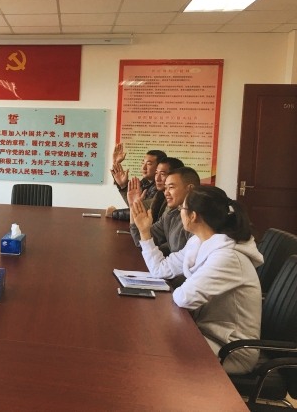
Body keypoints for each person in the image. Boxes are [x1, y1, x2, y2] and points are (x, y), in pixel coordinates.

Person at [130, 185, 263, 375]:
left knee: (153, 348)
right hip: (203, 331)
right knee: (149, 338)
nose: (179, 213)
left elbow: (185, 298)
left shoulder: (229, 256)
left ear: (193, 216)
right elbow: (161, 269)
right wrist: (145, 233)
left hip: (231, 349)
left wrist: (181, 287)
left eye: (182, 208)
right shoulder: (198, 242)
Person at [130, 167, 200, 254]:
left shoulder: (200, 220)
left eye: (171, 187)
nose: (166, 193)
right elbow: (141, 241)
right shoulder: (170, 216)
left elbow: (188, 259)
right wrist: (133, 206)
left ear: (190, 188)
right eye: (165, 188)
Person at [107, 144, 166, 220]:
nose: (144, 167)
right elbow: (133, 206)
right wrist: (123, 186)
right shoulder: (145, 182)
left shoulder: (160, 187)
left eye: (149, 164)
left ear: (160, 167)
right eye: (143, 163)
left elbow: (142, 210)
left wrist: (113, 213)